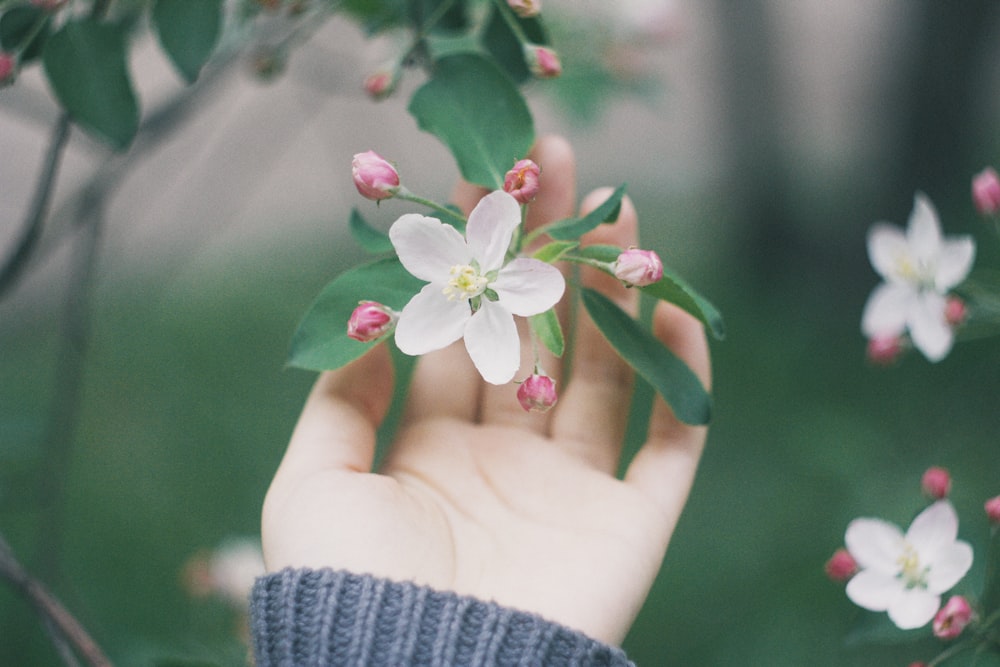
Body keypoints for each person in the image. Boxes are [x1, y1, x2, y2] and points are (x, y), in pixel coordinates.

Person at [249, 136, 712, 666]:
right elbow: (426, 313)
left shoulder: (507, 262)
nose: (467, 277)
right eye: (463, 277)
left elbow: (533, 288)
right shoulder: (446, 285)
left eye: (470, 275)